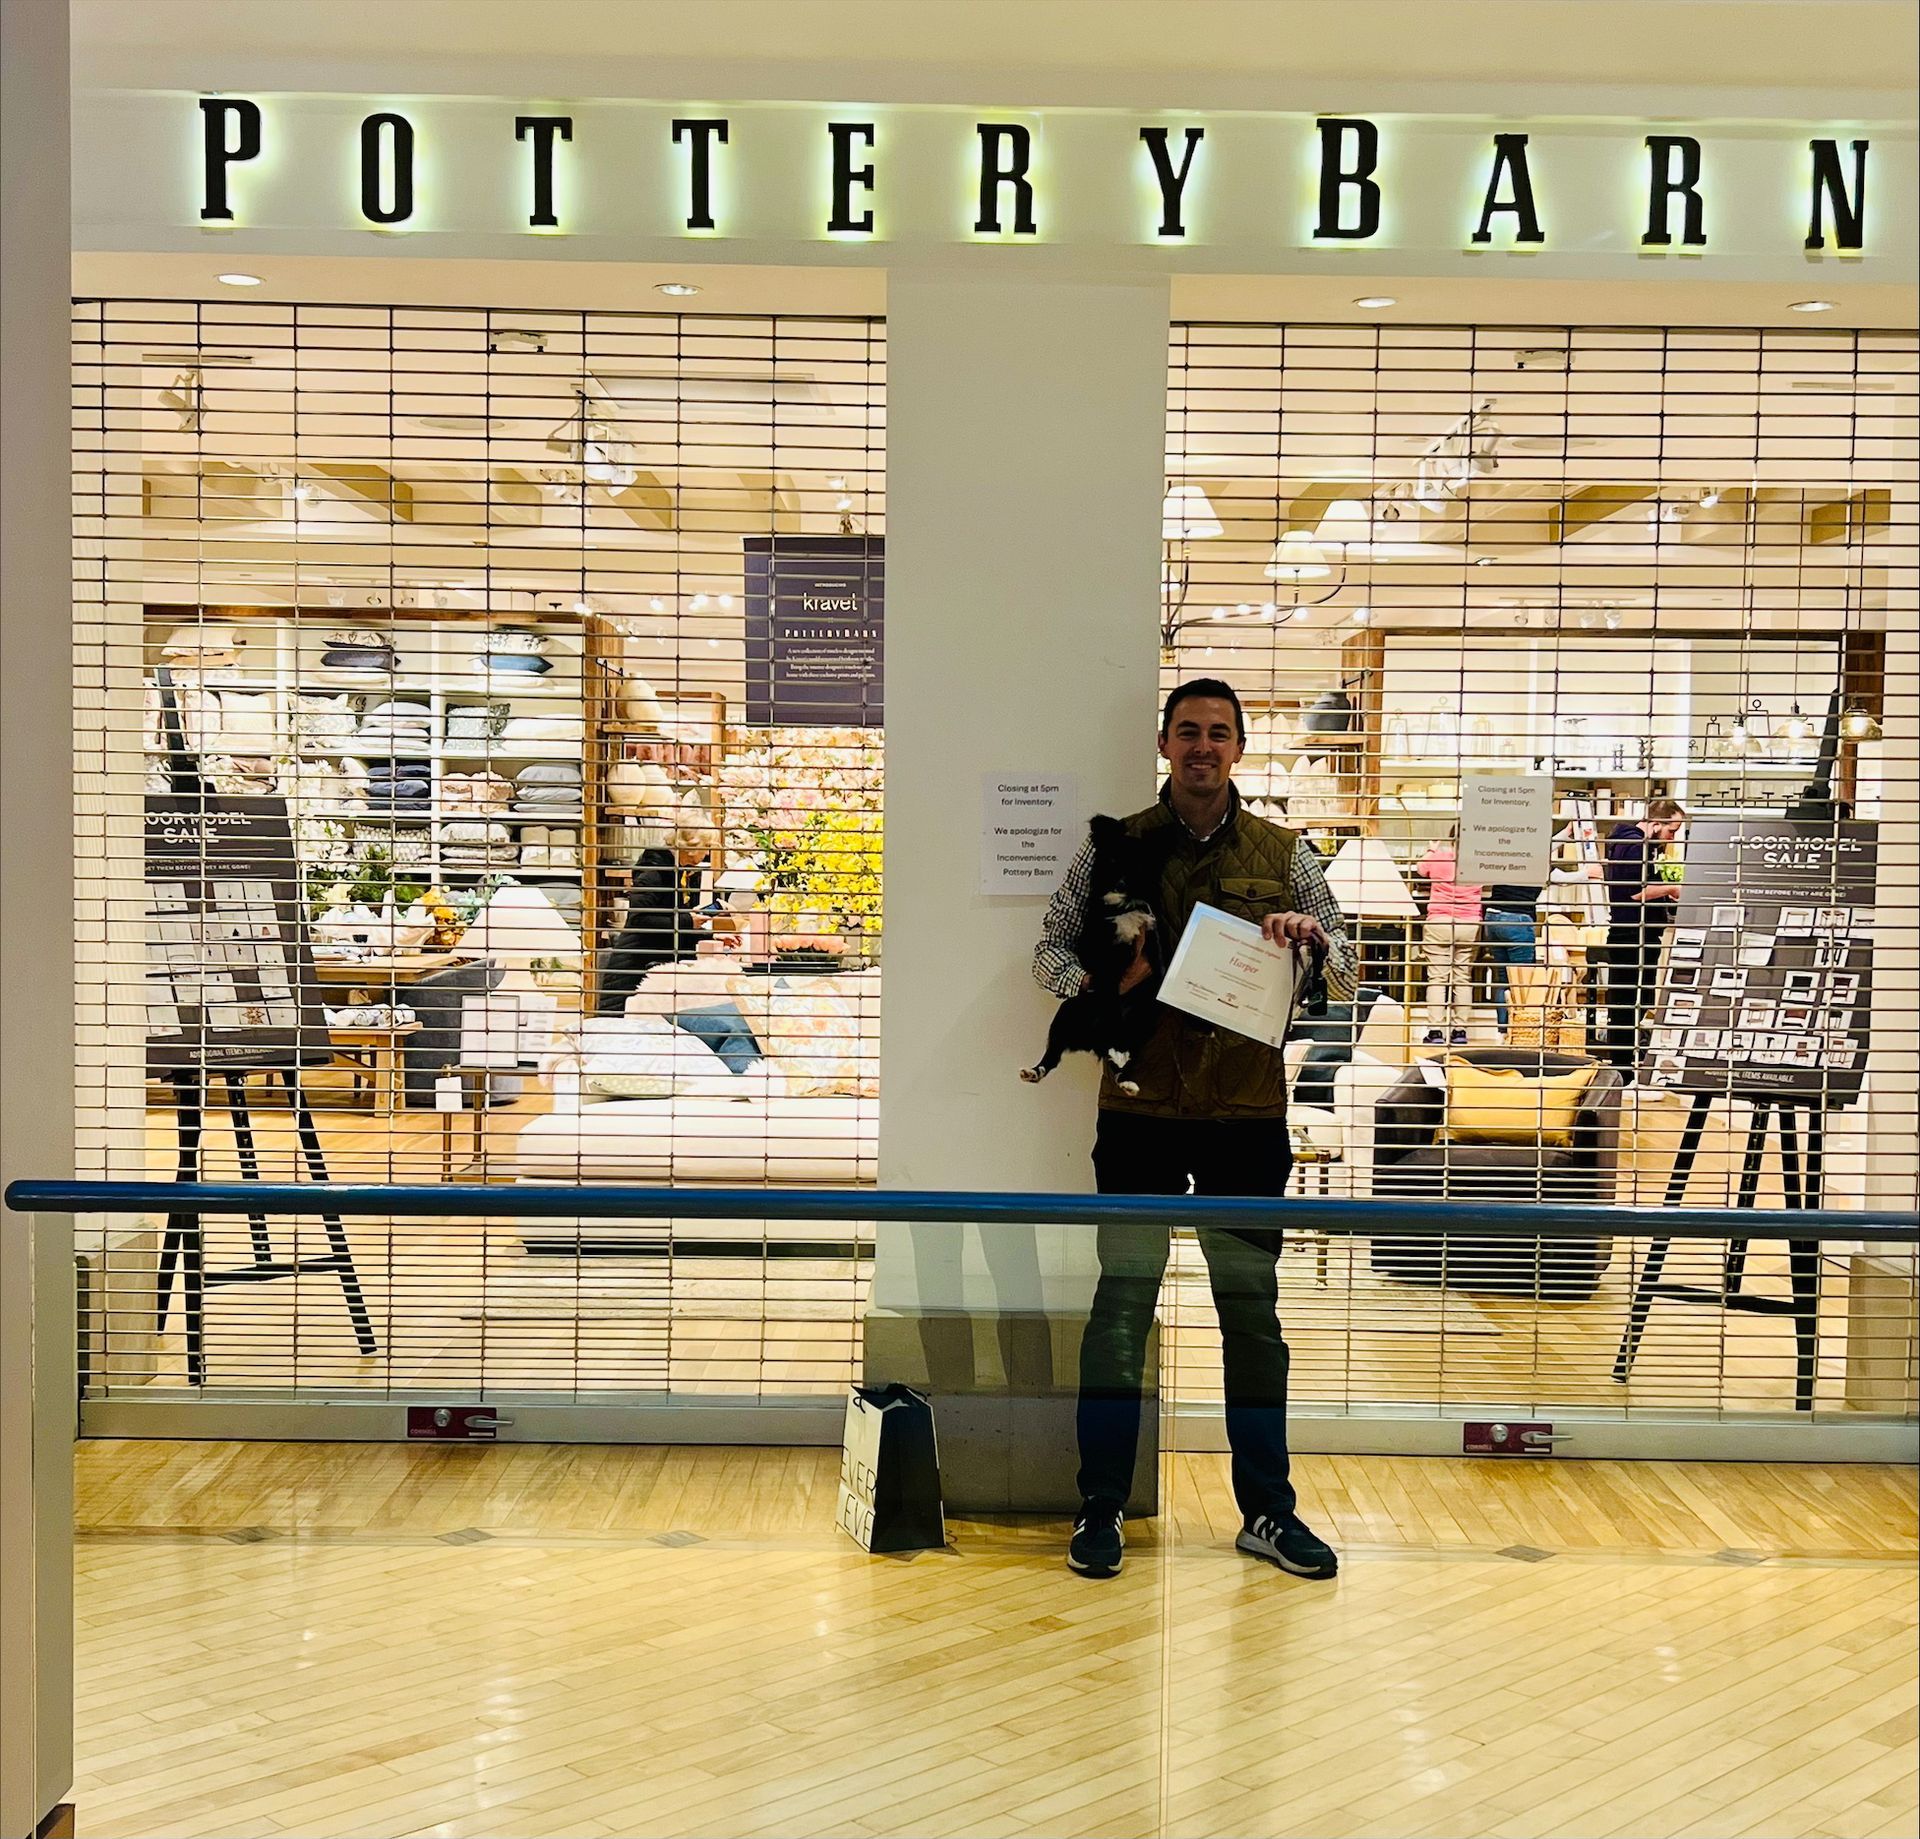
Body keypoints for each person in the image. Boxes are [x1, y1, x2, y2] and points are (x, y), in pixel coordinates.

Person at [1033, 678, 1357, 1582]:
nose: (1203, 747)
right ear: (1166, 744)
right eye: (1188, 732)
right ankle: (1100, 1506)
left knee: (1252, 1318)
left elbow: (1352, 966)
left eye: (1219, 733)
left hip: (1245, 1122)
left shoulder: (1287, 854)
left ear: (1239, 749)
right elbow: (1049, 949)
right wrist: (1100, 987)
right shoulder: (1117, 845)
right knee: (1121, 1314)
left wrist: (1313, 941)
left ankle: (1268, 1511)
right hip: (1136, 1115)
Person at [1600, 796, 1687, 1070]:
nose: (1671, 838)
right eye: (1671, 831)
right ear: (1656, 823)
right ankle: (1625, 1070)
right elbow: (1635, 891)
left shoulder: (1628, 843)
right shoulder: (1635, 845)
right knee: (1630, 1004)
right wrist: (1671, 889)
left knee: (1627, 1003)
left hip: (1630, 933)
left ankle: (1625, 1067)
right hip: (1633, 937)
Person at [1415, 828, 1482, 1045]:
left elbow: (1420, 869)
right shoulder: (1479, 861)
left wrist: (1431, 850)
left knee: (1437, 978)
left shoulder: (1441, 857)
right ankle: (1460, 1032)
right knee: (1462, 977)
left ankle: (1435, 1032)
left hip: (1440, 922)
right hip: (1469, 923)